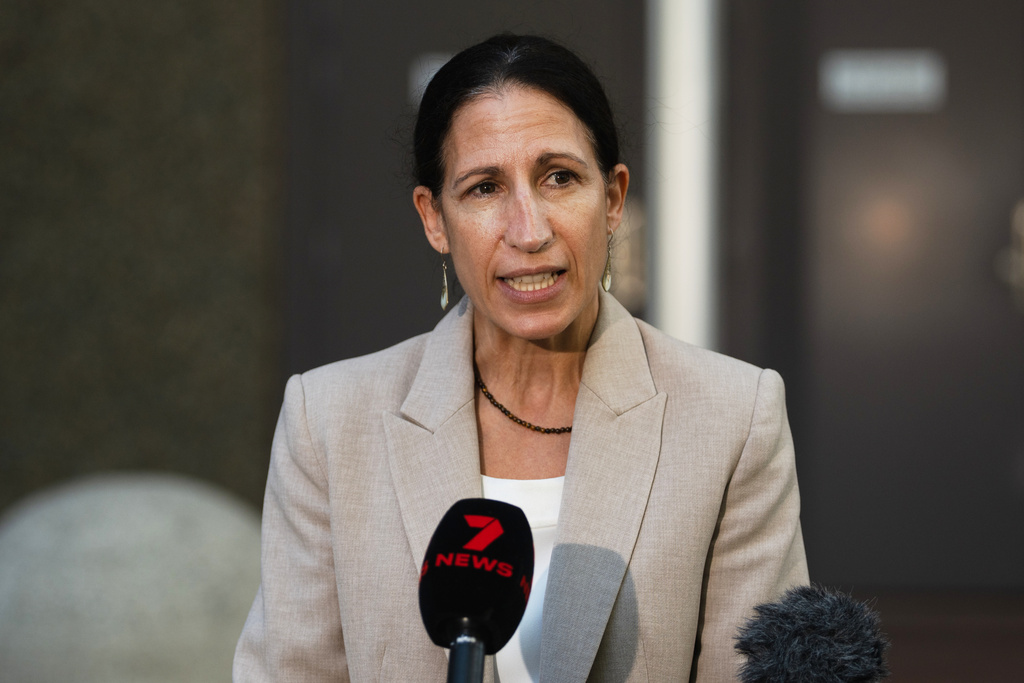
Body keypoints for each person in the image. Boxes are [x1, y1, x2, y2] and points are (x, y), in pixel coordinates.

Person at [233, 33, 807, 682]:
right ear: (434, 219)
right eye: (484, 188)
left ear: (613, 198)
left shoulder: (733, 417)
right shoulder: (329, 422)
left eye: (558, 177)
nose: (529, 231)